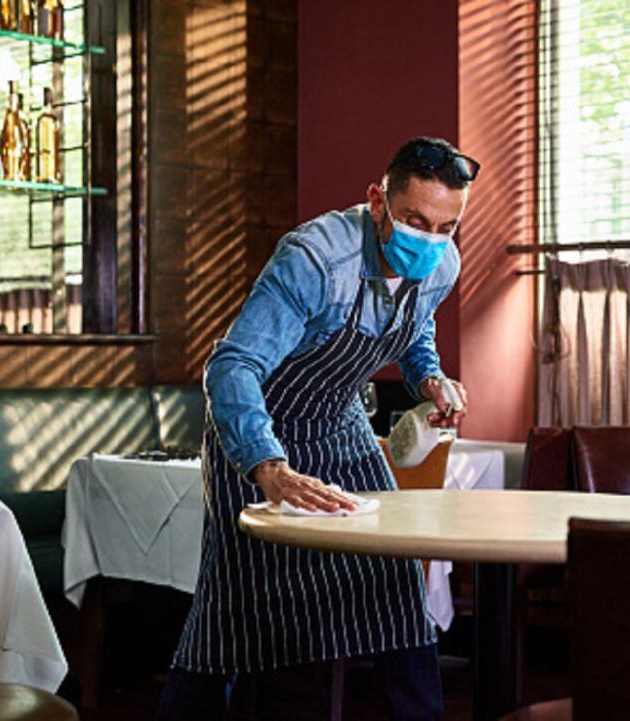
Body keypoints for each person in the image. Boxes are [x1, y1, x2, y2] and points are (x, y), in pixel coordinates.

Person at [155, 136, 479, 720]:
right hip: (260, 432)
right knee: (233, 606)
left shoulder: (441, 264)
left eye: (445, 226)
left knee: (395, 583)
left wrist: (429, 378)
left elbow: (416, 326)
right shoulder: (313, 259)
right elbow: (233, 366)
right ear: (377, 201)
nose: (430, 240)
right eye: (414, 220)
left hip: (339, 425)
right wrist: (268, 467)